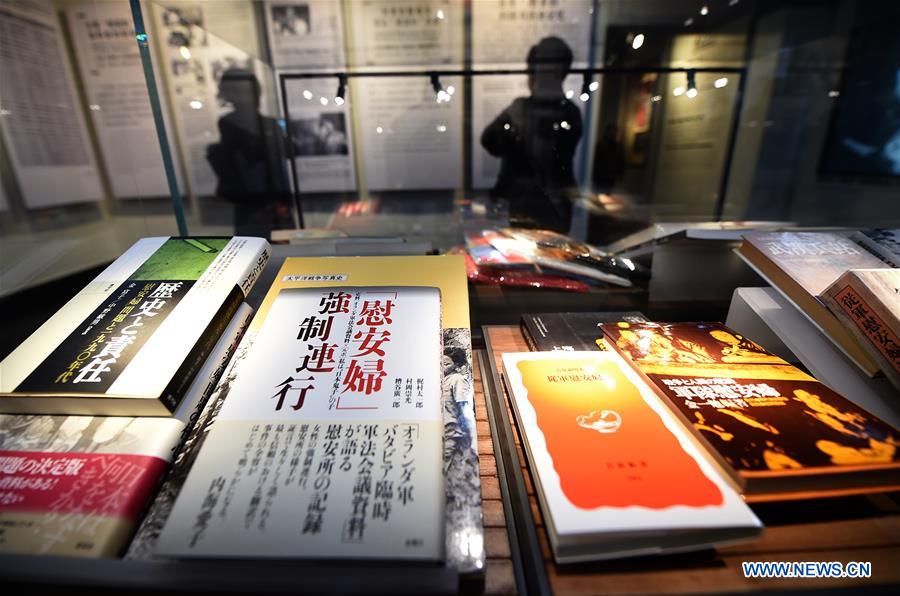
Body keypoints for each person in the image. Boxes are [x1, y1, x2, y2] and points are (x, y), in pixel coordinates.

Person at [481, 37, 583, 233]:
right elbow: (489, 141)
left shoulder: (567, 112)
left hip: (549, 207)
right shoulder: (523, 108)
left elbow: (557, 153)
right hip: (526, 205)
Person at [207, 68, 294, 236]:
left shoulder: (270, 125)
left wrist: (284, 201)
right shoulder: (228, 124)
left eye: (244, 91)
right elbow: (236, 165)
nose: (240, 97)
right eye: (234, 91)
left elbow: (278, 165)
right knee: (251, 246)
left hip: (271, 199)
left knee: (282, 243)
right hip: (249, 202)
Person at [592, 123, 624, 193]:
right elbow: (596, 161)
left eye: (615, 131)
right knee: (600, 193)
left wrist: (620, 174)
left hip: (610, 176)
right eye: (612, 131)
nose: (614, 133)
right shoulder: (601, 144)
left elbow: (620, 161)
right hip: (601, 176)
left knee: (607, 193)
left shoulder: (617, 146)